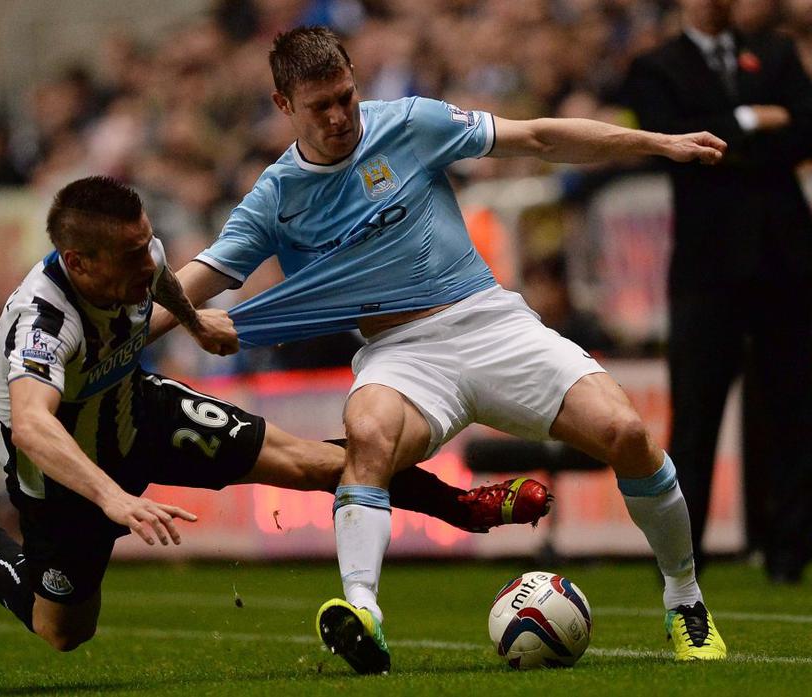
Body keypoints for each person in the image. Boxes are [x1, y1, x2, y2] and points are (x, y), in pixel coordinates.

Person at [148, 26, 730, 672]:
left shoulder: (409, 124)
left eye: (345, 96)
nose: (339, 116)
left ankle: (684, 598)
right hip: (400, 353)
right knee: (367, 435)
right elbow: (196, 280)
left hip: (489, 323)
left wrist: (657, 144)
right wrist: (113, 343)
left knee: (627, 433)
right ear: (283, 105)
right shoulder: (275, 198)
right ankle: (363, 612)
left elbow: (538, 137)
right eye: (320, 107)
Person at [0, 175, 546, 653]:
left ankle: (465, 507)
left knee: (313, 463)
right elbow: (33, 424)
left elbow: (163, 278)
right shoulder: (43, 321)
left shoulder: (138, 255)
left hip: (141, 411)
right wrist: (113, 497)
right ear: (78, 263)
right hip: (66, 471)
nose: (148, 260)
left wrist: (192, 322)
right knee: (63, 631)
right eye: (131, 256)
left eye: (145, 244)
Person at [622, 0, 812, 584]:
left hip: (785, 265)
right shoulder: (656, 67)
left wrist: (724, 133)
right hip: (707, 274)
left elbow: (805, 128)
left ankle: (789, 554)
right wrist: (755, 119)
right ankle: (683, 557)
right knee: (696, 419)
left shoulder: (775, 51)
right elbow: (675, 147)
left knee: (794, 411)